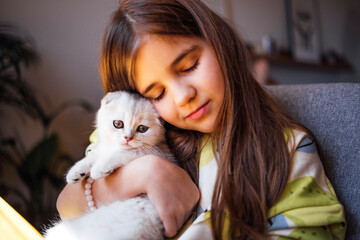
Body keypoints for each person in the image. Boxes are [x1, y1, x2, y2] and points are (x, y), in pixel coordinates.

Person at [56, 0, 346, 239]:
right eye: (157, 93)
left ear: (220, 42)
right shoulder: (138, 133)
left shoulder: (289, 149)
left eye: (189, 65)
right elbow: (67, 205)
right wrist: (144, 172)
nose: (183, 96)